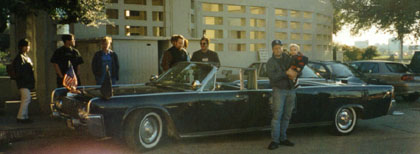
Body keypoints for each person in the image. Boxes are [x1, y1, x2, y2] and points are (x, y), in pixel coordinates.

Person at [266, 40, 298, 150]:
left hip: (290, 90)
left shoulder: (288, 58)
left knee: (287, 115)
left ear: (282, 48)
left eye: (279, 47)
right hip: (278, 90)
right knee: (277, 116)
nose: (277, 49)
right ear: (272, 49)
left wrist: (297, 70)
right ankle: (275, 140)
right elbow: (272, 77)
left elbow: (296, 70)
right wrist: (285, 73)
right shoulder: (270, 62)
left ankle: (283, 138)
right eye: (275, 48)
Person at [13, 38, 35, 123]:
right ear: (22, 47)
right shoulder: (20, 58)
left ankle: (24, 116)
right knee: (26, 98)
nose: (28, 47)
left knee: (26, 98)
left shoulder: (24, 57)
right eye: (26, 46)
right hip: (23, 82)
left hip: (26, 81)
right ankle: (21, 117)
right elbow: (20, 71)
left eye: (28, 46)